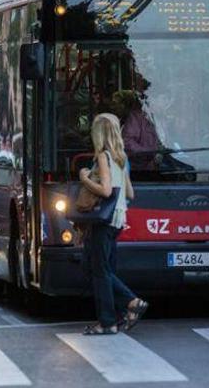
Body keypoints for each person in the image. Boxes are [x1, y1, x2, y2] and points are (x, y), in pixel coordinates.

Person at [78, 113, 147, 335]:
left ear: (98, 134)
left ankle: (117, 313)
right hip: (117, 219)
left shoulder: (103, 157)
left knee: (99, 271)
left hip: (103, 220)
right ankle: (115, 317)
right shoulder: (121, 157)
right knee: (99, 268)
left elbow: (106, 191)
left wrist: (85, 179)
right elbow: (130, 193)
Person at [111, 90, 160, 170]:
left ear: (126, 104)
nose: (113, 107)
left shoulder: (135, 118)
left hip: (142, 169)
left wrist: (151, 153)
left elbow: (127, 142)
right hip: (137, 168)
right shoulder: (122, 120)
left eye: (116, 103)